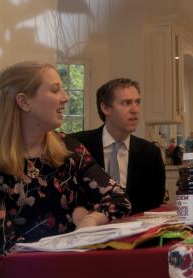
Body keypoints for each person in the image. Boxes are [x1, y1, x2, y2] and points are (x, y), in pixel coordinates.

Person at [0, 62, 131, 278]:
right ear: (23, 101)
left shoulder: (68, 148)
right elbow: (6, 251)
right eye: (55, 90)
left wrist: (90, 221)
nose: (66, 98)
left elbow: (118, 198)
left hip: (66, 271)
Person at [70, 78, 165, 213]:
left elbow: (154, 206)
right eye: (126, 103)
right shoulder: (79, 145)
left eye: (137, 102)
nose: (135, 110)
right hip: (89, 228)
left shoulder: (150, 153)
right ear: (105, 108)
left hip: (135, 229)